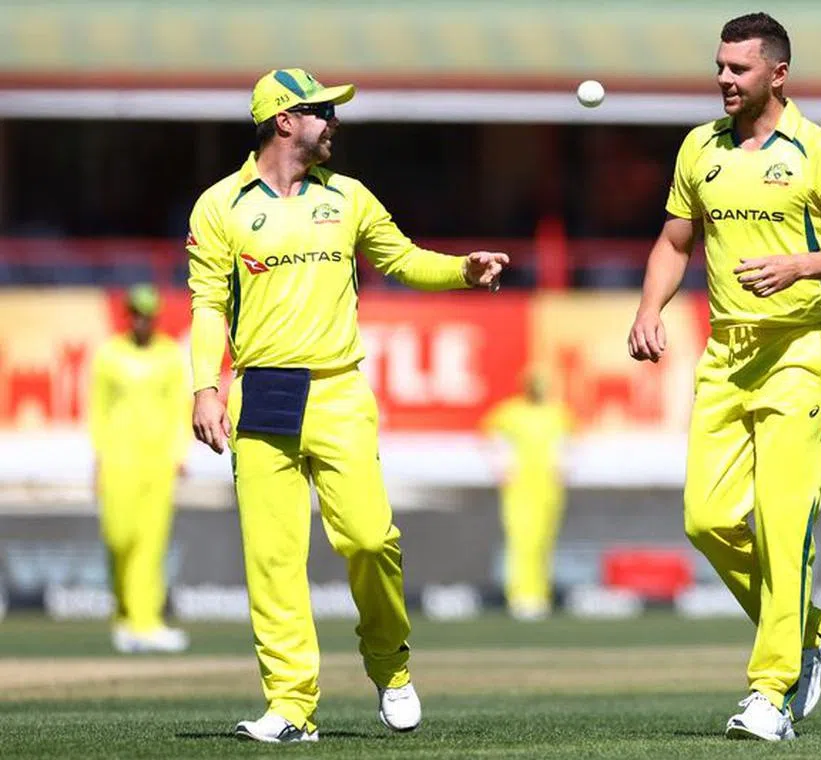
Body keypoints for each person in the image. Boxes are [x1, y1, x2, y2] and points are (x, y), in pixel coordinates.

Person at [186, 68, 508, 744]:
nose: (335, 122)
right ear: (283, 121)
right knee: (273, 561)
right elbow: (208, 304)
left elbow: (403, 260)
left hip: (337, 390)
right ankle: (291, 707)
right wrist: (206, 387)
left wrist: (461, 271)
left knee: (368, 539)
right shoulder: (220, 205)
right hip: (264, 390)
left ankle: (390, 667)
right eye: (322, 111)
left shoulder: (350, 197)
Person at [627, 13, 821, 742]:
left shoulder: (820, 151)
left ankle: (770, 693)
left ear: (777, 74)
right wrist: (650, 306)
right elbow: (674, 241)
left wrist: (802, 264)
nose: (723, 79)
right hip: (727, 356)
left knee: (783, 525)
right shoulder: (699, 148)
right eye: (719, 66)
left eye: (738, 69)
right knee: (706, 520)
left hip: (800, 354)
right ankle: (812, 629)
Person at [89, 284, 190, 654]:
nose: (141, 320)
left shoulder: (169, 355)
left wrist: (179, 454)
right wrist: (98, 456)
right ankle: (123, 615)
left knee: (151, 543)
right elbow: (98, 409)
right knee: (119, 538)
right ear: (128, 314)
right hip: (118, 460)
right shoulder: (109, 355)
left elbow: (180, 406)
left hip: (158, 462)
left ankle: (146, 622)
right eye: (135, 312)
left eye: (147, 313)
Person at [481, 372, 574, 621]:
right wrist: (501, 465)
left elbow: (564, 443)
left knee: (544, 541)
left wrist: (563, 467)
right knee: (522, 541)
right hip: (519, 487)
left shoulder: (557, 413)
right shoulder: (510, 412)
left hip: (548, 487)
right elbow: (493, 437)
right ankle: (520, 596)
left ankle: (540, 594)